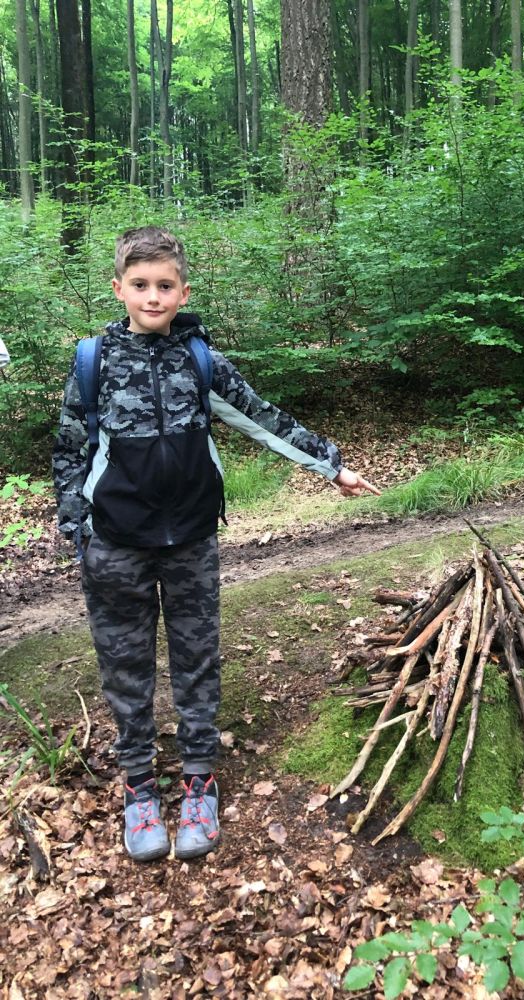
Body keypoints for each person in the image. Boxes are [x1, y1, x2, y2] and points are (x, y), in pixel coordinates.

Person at [52, 226, 380, 863]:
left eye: (164, 285)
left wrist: (330, 466)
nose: (153, 297)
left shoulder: (200, 360)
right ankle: (139, 785)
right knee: (125, 669)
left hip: (191, 541)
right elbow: (69, 450)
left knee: (197, 659)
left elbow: (262, 416)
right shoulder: (93, 363)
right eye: (140, 285)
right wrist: (78, 532)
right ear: (118, 288)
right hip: (114, 545)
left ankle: (199, 778)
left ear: (183, 292)